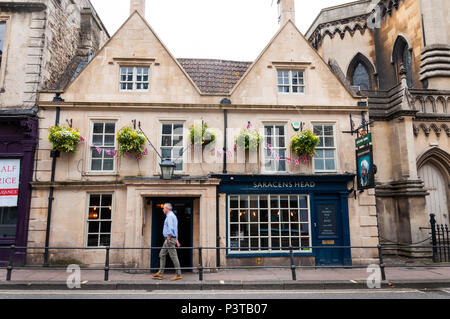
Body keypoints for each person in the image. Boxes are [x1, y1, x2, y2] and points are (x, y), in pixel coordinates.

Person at [152, 203, 182, 281]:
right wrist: (177, 240)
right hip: (170, 238)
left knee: (174, 256)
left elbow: (171, 228)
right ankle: (160, 273)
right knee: (162, 254)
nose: (163, 210)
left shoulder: (170, 216)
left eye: (163, 208)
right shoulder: (173, 216)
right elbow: (176, 229)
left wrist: (169, 237)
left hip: (169, 239)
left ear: (167, 209)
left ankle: (178, 274)